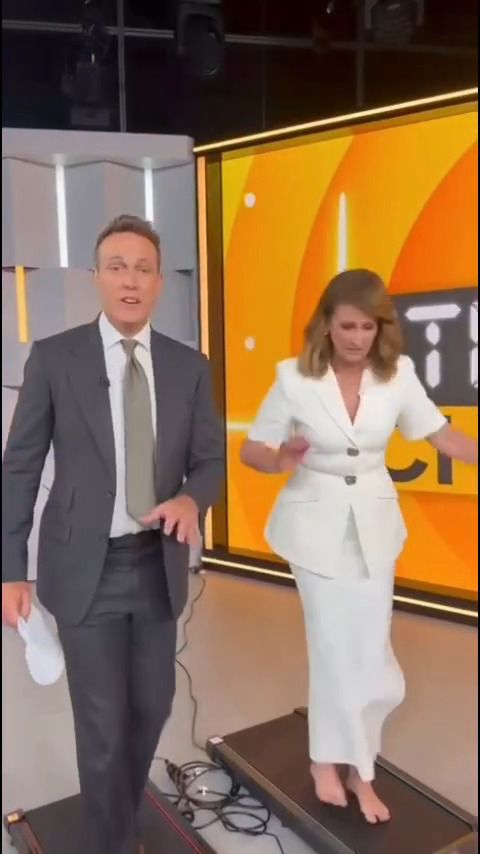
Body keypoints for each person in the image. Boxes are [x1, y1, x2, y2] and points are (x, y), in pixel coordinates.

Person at [2, 215, 224, 853]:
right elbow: (19, 467)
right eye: (118, 267)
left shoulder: (189, 367)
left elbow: (211, 460)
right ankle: (114, 842)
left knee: (152, 708)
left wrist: (191, 498)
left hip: (157, 567)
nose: (131, 281)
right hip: (85, 570)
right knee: (101, 726)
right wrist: (10, 569)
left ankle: (118, 822)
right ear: (97, 277)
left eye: (144, 269)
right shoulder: (55, 358)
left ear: (159, 283)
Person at [240, 269, 477, 825]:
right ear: (326, 324)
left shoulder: (399, 376)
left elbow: (441, 434)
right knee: (332, 648)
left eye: (367, 327)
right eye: (347, 326)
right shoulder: (294, 378)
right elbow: (253, 448)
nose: (356, 338)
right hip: (312, 528)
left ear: (380, 328)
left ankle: (356, 761)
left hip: (374, 527)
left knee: (370, 653)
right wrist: (280, 459)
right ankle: (338, 765)